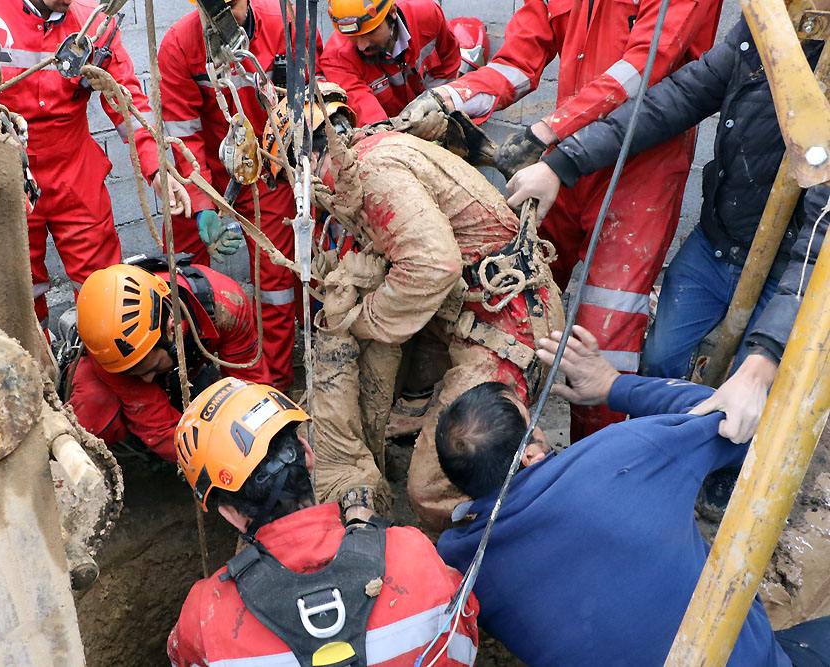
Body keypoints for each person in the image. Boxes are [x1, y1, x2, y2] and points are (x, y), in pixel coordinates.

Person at [396, 0, 723, 441]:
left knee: (603, 336)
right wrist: (451, 96)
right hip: (565, 159)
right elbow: (519, 60)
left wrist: (546, 131)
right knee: (510, 298)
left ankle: (596, 464)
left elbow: (643, 69)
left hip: (639, 164)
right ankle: (498, 452)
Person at [505, 15, 826, 446]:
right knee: (659, 358)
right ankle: (661, 446)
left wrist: (762, 361)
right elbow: (675, 98)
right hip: (719, 244)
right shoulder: (766, 30)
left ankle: (728, 463)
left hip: (795, 266)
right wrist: (563, 162)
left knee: (763, 391)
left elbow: (819, 242)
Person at [435, 325, 830, 666]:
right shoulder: (622, 455)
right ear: (531, 456)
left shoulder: (459, 564)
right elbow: (733, 417)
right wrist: (613, 386)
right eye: (532, 419)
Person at [270, 85, 563, 534]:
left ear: (303, 164)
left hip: (507, 323)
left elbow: (433, 266)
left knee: (431, 490)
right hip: (465, 309)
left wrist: (364, 318)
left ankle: (523, 515)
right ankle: (428, 412)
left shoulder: (371, 174)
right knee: (380, 378)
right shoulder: (369, 152)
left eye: (289, 178)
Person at [166, 377, 479, 666]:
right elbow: (465, 632)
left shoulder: (206, 613)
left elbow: (181, 657)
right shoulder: (414, 553)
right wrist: (371, 536)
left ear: (230, 514)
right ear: (308, 454)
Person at [0, 0, 191, 331]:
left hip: (76, 177)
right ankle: (39, 366)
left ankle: (104, 370)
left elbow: (128, 104)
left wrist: (157, 169)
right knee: (20, 294)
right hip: (11, 177)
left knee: (105, 292)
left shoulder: (97, 24)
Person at [157, 0, 323, 390]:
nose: (224, 15)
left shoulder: (287, 25)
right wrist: (200, 205)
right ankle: (199, 378)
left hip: (271, 169)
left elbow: (318, 93)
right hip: (209, 173)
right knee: (182, 268)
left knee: (278, 284)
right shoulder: (180, 44)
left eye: (231, 4)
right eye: (215, 5)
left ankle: (276, 387)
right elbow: (184, 136)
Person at [66, 259, 269, 461]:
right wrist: (219, 460)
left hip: (191, 371)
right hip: (125, 391)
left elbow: (252, 385)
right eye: (139, 373)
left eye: (151, 368)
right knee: (91, 407)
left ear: (172, 329)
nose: (146, 379)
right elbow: (160, 428)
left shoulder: (225, 304)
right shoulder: (110, 352)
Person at [320, 0, 461, 126]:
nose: (362, 46)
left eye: (370, 32)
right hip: (391, 135)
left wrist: (440, 108)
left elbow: (448, 64)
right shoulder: (337, 60)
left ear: (393, 11)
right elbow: (372, 123)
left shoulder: (427, 15)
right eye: (352, 36)